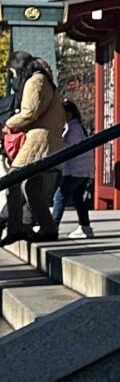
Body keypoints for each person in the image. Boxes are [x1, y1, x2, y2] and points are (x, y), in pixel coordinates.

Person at [0, 59, 62, 246]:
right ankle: (48, 228)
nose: (13, 79)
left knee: (13, 181)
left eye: (13, 74)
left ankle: (16, 228)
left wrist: (9, 124)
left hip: (37, 141)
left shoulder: (35, 81)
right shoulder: (46, 83)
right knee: (31, 187)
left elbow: (29, 112)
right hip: (46, 139)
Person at [51, 101, 96, 239]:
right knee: (78, 198)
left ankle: (52, 226)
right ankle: (85, 227)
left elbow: (66, 147)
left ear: (68, 114)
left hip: (75, 169)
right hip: (84, 169)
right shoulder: (79, 127)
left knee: (60, 196)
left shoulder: (73, 129)